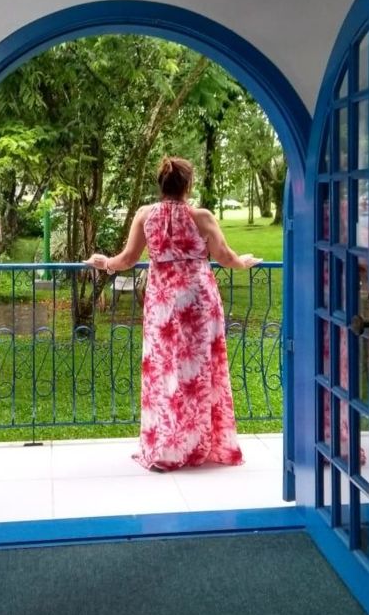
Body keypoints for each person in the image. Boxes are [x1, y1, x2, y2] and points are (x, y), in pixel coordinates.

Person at [86, 156, 262, 472]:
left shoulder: (145, 215)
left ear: (161, 184)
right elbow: (225, 256)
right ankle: (198, 443)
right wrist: (243, 262)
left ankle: (167, 446)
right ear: (187, 185)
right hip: (198, 303)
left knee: (165, 370)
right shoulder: (202, 217)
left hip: (163, 304)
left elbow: (127, 259)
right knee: (199, 370)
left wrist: (105, 263)